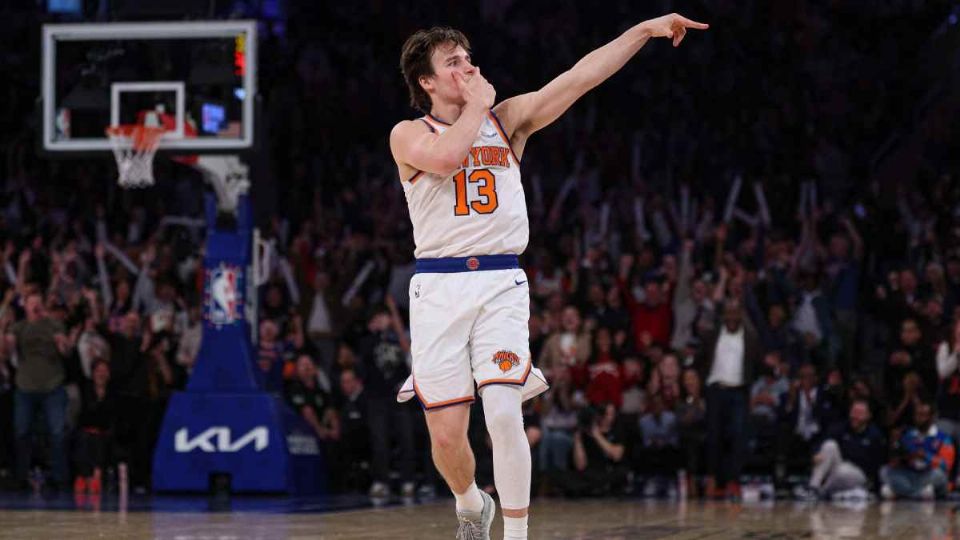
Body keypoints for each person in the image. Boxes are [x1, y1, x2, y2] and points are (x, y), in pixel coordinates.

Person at [390, 14, 709, 539]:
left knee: (502, 411)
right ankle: (471, 503)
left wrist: (642, 31)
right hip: (439, 286)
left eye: (469, 59)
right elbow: (447, 158)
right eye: (453, 63)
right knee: (446, 438)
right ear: (426, 81)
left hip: (500, 282)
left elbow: (580, 78)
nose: (468, 69)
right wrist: (477, 106)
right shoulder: (408, 134)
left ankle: (517, 534)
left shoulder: (507, 119)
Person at [4, 292, 72, 491]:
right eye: (31, 303)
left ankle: (59, 478)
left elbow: (65, 351)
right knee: (22, 432)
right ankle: (21, 477)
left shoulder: (54, 325)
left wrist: (63, 343)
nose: (35, 306)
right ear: (25, 306)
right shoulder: (18, 327)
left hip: (52, 386)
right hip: (26, 386)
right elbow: (6, 350)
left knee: (57, 433)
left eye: (38, 302)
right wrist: (3, 329)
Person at [697, 299, 761, 500]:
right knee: (713, 436)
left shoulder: (751, 337)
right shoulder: (712, 335)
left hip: (739, 392)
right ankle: (712, 479)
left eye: (735, 312)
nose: (732, 317)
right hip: (716, 390)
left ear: (741, 314)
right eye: (728, 312)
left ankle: (734, 481)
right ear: (723, 315)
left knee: (738, 436)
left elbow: (756, 366)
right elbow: (701, 362)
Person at [806, 399, 885, 499]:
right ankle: (813, 487)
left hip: (859, 474)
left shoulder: (875, 435)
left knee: (843, 471)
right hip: (838, 468)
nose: (855, 416)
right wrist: (816, 453)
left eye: (860, 413)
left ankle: (822, 492)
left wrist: (876, 488)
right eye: (854, 412)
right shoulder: (841, 427)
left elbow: (878, 463)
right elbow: (822, 440)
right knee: (829, 445)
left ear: (868, 416)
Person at [881, 400, 955, 500]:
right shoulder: (907, 435)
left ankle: (901, 492)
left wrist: (925, 456)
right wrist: (898, 454)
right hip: (910, 475)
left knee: (940, 475)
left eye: (923, 415)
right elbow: (896, 460)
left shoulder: (943, 438)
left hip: (929, 475)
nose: (918, 418)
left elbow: (946, 465)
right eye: (917, 415)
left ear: (932, 417)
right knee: (884, 471)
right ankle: (919, 494)